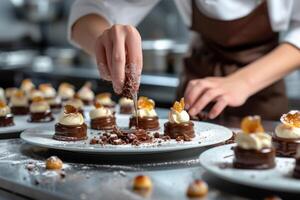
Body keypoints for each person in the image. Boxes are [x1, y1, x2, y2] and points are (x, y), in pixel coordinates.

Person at [68, 0, 300, 120]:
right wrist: (104, 39)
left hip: (262, 90)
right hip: (193, 96)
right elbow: (90, 8)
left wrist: (244, 82)